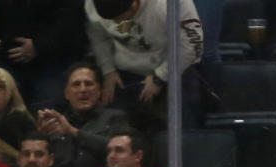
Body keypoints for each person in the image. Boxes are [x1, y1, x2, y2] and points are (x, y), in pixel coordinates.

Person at [84, 0, 203, 130]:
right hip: (127, 69)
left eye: (122, 18)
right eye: (113, 19)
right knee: (119, 124)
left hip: (175, 66)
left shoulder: (171, 4)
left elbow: (192, 46)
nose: (117, 24)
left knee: (183, 120)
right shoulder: (91, 4)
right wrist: (108, 70)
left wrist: (160, 76)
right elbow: (98, 36)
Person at [0, 0, 86, 110]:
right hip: (10, 62)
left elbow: (71, 20)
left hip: (52, 62)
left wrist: (38, 46)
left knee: (47, 111)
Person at [36, 62, 128, 167]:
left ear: (99, 91)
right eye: (76, 84)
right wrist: (40, 136)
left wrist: (73, 132)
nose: (83, 90)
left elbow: (122, 150)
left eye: (89, 84)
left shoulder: (115, 118)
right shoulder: (54, 125)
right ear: (67, 93)